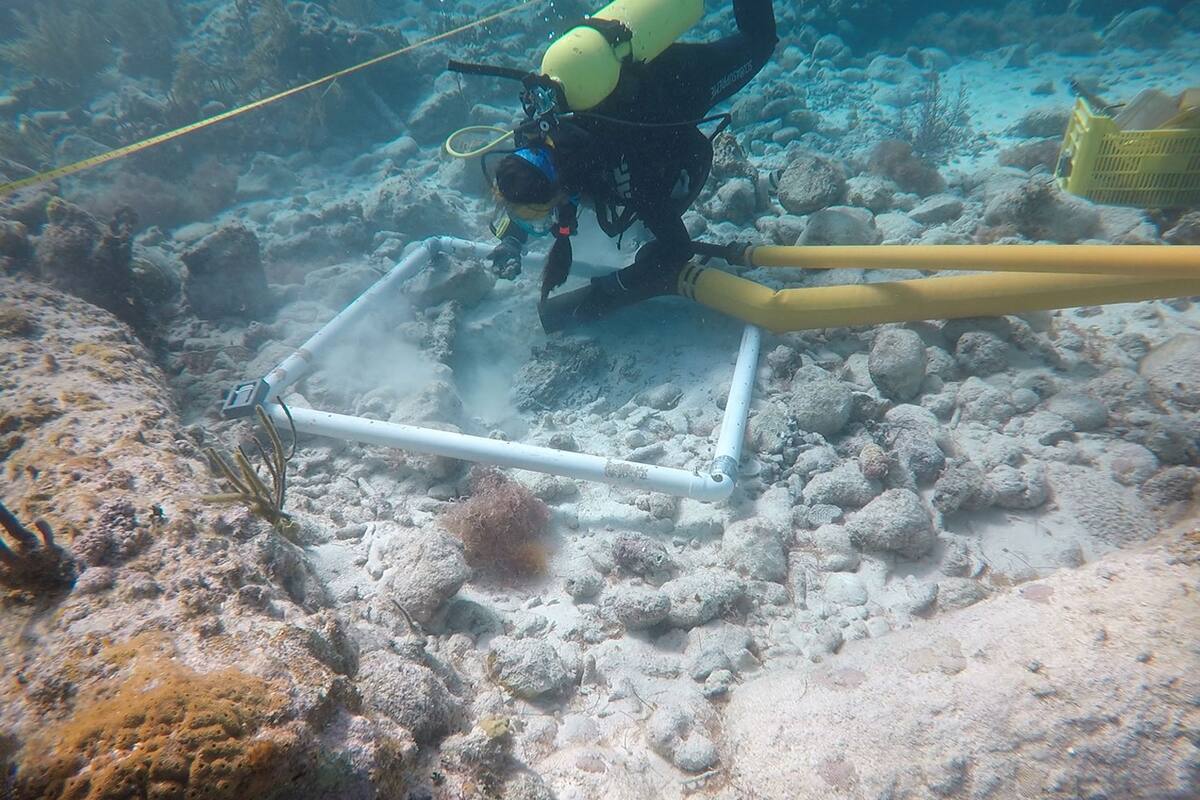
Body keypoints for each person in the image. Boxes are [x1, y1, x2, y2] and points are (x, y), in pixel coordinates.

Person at [487, 0, 777, 332]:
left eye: (539, 215)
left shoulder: (633, 172)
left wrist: (617, 285)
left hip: (682, 82)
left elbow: (676, 249)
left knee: (759, 40)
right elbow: (526, 188)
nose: (542, 223)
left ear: (563, 188)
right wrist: (511, 241)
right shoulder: (538, 136)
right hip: (627, 79)